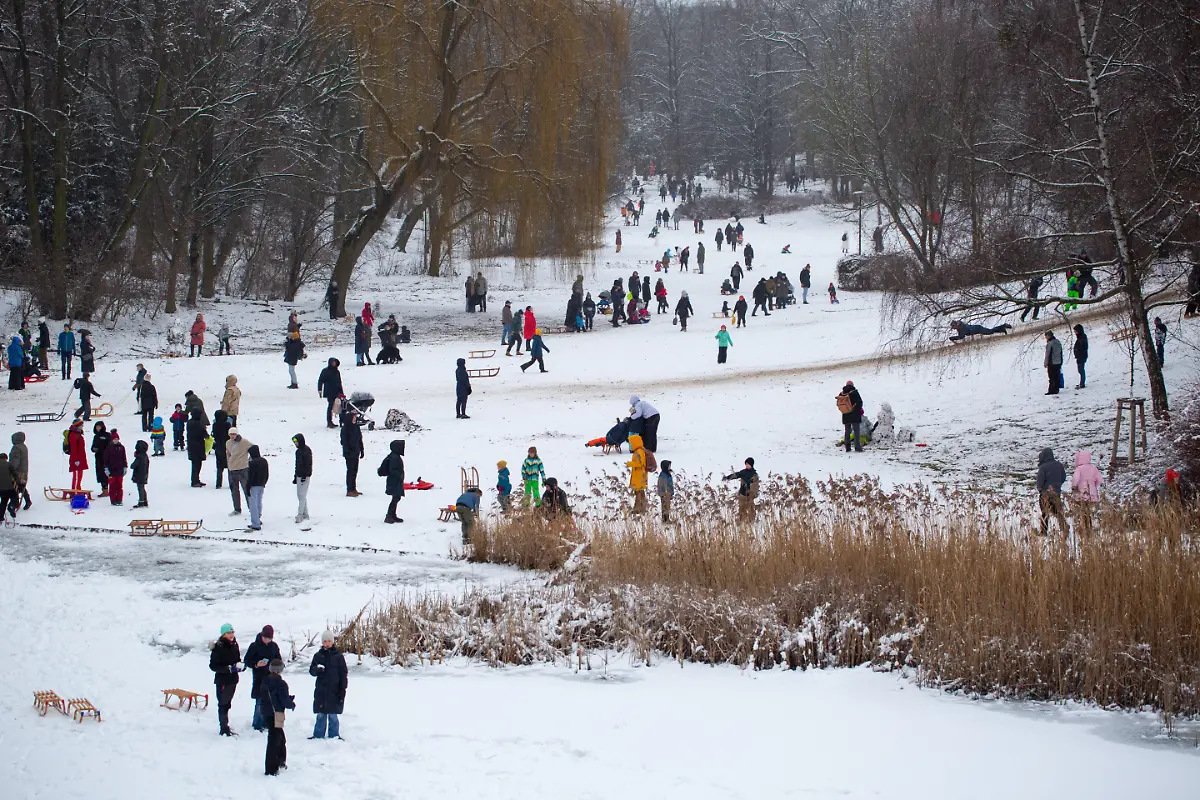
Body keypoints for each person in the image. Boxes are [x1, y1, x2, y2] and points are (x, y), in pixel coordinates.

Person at [309, 631, 348, 741]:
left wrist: (343, 688)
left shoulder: (338, 657)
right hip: (321, 690)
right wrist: (317, 670)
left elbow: (343, 674)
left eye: (329, 641)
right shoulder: (318, 656)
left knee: (333, 715)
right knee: (321, 715)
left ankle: (334, 735)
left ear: (332, 642)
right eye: (325, 641)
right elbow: (312, 671)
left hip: (334, 690)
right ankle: (318, 735)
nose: (327, 643)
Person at [245, 624, 282, 732]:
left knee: (270, 702)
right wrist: (256, 664)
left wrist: (275, 667)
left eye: (269, 638)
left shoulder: (274, 646)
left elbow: (279, 660)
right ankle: (257, 724)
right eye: (265, 638)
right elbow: (247, 660)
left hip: (271, 678)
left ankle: (266, 723)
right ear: (261, 636)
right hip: (259, 678)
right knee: (259, 702)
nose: (267, 640)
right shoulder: (254, 646)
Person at [209, 624, 244, 737]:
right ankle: (223, 728)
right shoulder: (218, 647)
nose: (231, 635)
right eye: (229, 633)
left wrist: (240, 666)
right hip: (223, 680)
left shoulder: (234, 644)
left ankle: (225, 725)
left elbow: (237, 659)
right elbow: (213, 666)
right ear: (223, 634)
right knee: (223, 704)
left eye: (232, 632)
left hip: (233, 679)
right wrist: (227, 669)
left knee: (227, 704)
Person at [263, 659, 295, 776]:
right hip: (278, 713)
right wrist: (291, 704)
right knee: (275, 739)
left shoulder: (265, 681)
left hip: (266, 712)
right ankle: (272, 768)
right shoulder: (281, 684)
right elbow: (284, 700)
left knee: (279, 737)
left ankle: (281, 761)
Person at [1070, 451, 1103, 538]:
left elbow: (1075, 479)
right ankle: (1090, 527)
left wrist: (1074, 487)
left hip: (1082, 493)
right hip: (1092, 493)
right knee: (1089, 511)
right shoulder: (1093, 468)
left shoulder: (1079, 469)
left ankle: (1085, 528)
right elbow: (1100, 480)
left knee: (1083, 511)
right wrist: (1093, 486)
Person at [1036, 448, 1069, 537]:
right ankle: (1064, 527)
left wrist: (1040, 489)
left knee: (1045, 513)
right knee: (1057, 512)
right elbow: (1063, 477)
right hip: (1056, 493)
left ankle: (1043, 532)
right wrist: (1057, 486)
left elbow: (1040, 481)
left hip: (1045, 494)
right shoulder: (1059, 465)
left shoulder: (1043, 467)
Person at [226, 428, 253, 513]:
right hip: (232, 469)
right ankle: (237, 508)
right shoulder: (228, 443)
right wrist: (229, 462)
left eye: (234, 434)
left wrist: (249, 460)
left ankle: (251, 508)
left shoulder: (244, 442)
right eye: (231, 434)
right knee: (234, 490)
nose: (232, 436)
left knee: (246, 490)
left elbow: (254, 448)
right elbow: (228, 453)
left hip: (243, 469)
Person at [379, 439, 406, 523]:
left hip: (395, 481)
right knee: (396, 498)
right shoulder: (394, 457)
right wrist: (399, 476)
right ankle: (389, 515)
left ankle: (392, 515)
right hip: (394, 481)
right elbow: (393, 470)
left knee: (396, 498)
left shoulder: (394, 456)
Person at [341, 410, 364, 497]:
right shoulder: (345, 429)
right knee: (350, 471)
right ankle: (349, 489)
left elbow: (360, 439)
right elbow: (344, 442)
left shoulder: (356, 427)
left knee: (355, 471)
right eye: (353, 417)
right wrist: (348, 451)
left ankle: (353, 488)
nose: (355, 419)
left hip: (356, 452)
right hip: (349, 454)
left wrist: (362, 450)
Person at [837, 381, 864, 453]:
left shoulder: (841, 394)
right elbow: (859, 403)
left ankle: (847, 447)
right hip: (855, 415)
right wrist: (858, 410)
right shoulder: (854, 392)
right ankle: (857, 447)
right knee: (856, 432)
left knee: (847, 432)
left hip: (846, 415)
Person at [246, 445, 268, 531]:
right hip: (261, 484)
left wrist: (248, 487)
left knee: (253, 504)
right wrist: (264, 482)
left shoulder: (253, 463)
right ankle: (258, 517)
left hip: (254, 485)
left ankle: (255, 523)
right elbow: (267, 474)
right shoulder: (264, 461)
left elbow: (251, 476)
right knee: (259, 501)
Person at [317, 358, 343, 429]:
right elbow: (321, 380)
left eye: (335, 362)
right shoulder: (325, 371)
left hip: (337, 391)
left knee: (341, 406)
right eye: (333, 362)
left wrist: (342, 393)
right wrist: (319, 389)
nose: (334, 364)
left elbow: (339, 382)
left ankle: (342, 421)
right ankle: (329, 421)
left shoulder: (337, 371)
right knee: (331, 406)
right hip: (329, 392)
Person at [103, 429, 127, 506]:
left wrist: (125, 466)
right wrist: (106, 468)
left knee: (119, 486)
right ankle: (113, 500)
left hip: (120, 470)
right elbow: (106, 459)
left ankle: (119, 499)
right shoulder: (109, 448)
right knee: (112, 486)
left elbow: (124, 458)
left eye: (117, 439)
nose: (116, 441)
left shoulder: (121, 447)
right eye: (114, 439)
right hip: (111, 470)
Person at [627, 434, 649, 514]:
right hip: (639, 475)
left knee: (638, 492)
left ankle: (638, 508)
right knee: (640, 492)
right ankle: (642, 507)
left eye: (631, 442)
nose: (630, 444)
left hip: (639, 475)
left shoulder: (639, 452)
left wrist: (630, 464)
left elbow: (640, 464)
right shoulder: (640, 450)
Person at [187, 409, 209, 487]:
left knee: (194, 464)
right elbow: (204, 434)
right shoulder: (198, 424)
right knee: (197, 464)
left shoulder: (189, 422)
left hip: (191, 446)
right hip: (198, 446)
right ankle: (195, 481)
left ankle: (195, 479)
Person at [293, 434, 312, 524]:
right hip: (299, 475)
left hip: (305, 476)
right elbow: (297, 464)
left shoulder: (306, 451)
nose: (295, 443)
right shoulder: (298, 452)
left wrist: (305, 474)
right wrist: (295, 475)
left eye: (296, 442)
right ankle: (305, 513)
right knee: (300, 495)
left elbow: (308, 464)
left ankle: (300, 514)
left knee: (302, 495)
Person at [10, 432, 29, 511]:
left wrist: (11, 469)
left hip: (17, 472)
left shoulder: (16, 448)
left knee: (14, 487)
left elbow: (15, 461)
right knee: (21, 486)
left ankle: (15, 503)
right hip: (23, 470)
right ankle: (27, 501)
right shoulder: (24, 447)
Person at [90, 421, 111, 495]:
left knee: (106, 473)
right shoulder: (96, 436)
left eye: (99, 426)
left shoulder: (108, 435)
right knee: (100, 473)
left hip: (107, 457)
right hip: (98, 457)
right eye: (97, 427)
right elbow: (92, 447)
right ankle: (104, 489)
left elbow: (110, 445)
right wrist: (94, 449)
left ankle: (107, 489)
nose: (98, 428)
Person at [66, 419, 87, 491]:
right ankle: (75, 490)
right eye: (81, 425)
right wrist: (76, 460)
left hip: (80, 458)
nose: (82, 426)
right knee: (77, 476)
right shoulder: (73, 435)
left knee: (79, 476)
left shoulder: (78, 434)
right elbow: (74, 448)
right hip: (77, 459)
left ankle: (78, 489)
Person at [131, 439, 150, 508]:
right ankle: (145, 501)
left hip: (139, 475)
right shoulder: (145, 456)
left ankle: (141, 502)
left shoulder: (139, 457)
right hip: (144, 474)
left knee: (140, 488)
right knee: (142, 488)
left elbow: (133, 466)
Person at [0, 453, 19, 520]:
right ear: (6, 458)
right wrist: (17, 481)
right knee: (15, 497)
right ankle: (11, 507)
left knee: (3, 501)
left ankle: (1, 517)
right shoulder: (9, 464)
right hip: (9, 486)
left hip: (1, 489)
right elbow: (14, 474)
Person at [1044, 330, 1063, 395]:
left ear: (1048, 336)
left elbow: (1047, 354)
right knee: (1057, 376)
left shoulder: (1050, 343)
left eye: (1046, 336)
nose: (1045, 338)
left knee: (1051, 377)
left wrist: (1045, 363)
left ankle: (1051, 390)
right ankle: (1056, 389)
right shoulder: (1057, 342)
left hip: (1052, 362)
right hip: (1058, 362)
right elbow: (1060, 352)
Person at [1072, 324, 1089, 389]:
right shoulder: (1081, 337)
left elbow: (1082, 348)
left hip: (1081, 357)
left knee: (1081, 370)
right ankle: (1082, 383)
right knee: (1080, 370)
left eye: (1075, 331)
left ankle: (1082, 383)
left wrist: (1078, 353)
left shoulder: (1082, 338)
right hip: (1080, 356)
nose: (1075, 333)